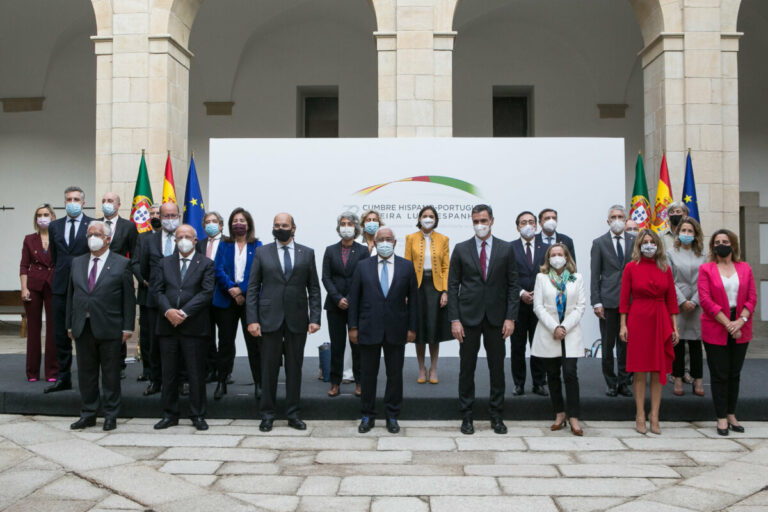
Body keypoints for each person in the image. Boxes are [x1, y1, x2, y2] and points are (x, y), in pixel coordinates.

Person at [447, 204, 519, 435]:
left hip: (497, 319)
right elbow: (452, 285)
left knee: (497, 368)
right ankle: (466, 415)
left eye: (484, 220)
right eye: (476, 221)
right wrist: (454, 320)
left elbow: (513, 285)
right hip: (468, 318)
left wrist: (510, 317)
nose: (480, 225)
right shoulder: (460, 249)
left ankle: (497, 415)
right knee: (467, 368)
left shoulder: (506, 249)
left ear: (492, 221)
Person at [246, 213, 322, 432]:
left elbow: (314, 288)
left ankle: (293, 414)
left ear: (293, 228)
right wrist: (252, 319)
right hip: (269, 319)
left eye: (284, 225)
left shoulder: (307, 253)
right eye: (276, 225)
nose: (280, 228)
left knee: (294, 369)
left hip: (297, 320)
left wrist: (315, 317)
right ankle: (267, 415)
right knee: (268, 369)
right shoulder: (262, 252)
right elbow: (252, 288)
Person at [349, 227, 419, 434]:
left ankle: (392, 416)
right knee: (368, 375)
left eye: (389, 239)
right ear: (375, 242)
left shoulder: (407, 267)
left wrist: (412, 328)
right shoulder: (363, 266)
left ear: (395, 243)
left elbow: (414, 301)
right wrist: (353, 327)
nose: (385, 243)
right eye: (381, 239)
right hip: (368, 328)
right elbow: (354, 300)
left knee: (395, 375)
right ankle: (367, 415)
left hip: (397, 329)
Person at [66, 221, 135, 431]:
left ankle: (110, 415)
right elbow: (71, 295)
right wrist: (70, 324)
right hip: (83, 326)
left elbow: (128, 299)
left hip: (110, 326)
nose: (92, 238)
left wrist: (127, 327)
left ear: (107, 238)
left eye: (96, 234)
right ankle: (88, 414)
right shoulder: (77, 262)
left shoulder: (121, 263)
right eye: (89, 234)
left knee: (111, 374)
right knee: (86, 374)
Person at [151, 224, 214, 431]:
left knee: (195, 373)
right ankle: (169, 414)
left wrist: (184, 313)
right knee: (169, 373)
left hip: (194, 327)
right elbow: (157, 291)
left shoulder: (206, 263)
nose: (184, 240)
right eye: (180, 237)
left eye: (188, 236)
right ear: (175, 240)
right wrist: (168, 311)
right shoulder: (163, 263)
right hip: (167, 326)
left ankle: (197, 414)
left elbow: (206, 293)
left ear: (196, 240)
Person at [619, 229, 679, 435]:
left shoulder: (665, 268)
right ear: (639, 245)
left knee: (657, 370)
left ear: (658, 245)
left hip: (661, 318)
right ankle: (640, 414)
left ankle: (655, 415)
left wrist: (674, 327)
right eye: (644, 242)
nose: (649, 245)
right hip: (638, 318)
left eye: (652, 242)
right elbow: (624, 299)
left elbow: (672, 299)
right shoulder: (630, 268)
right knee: (640, 370)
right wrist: (623, 325)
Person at [698, 229, 757, 436]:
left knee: (734, 373)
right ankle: (721, 417)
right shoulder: (706, 269)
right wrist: (728, 323)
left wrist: (740, 321)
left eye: (724, 241)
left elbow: (752, 297)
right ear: (712, 247)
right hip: (716, 325)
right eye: (716, 242)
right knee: (719, 374)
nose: (720, 244)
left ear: (733, 245)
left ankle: (732, 413)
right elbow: (705, 300)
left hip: (741, 325)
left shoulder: (745, 268)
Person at [531, 243, 586, 436]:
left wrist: (564, 327)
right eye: (553, 254)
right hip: (548, 331)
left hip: (570, 332)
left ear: (566, 257)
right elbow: (538, 306)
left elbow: (580, 307)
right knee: (552, 375)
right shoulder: (542, 277)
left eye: (560, 254)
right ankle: (559, 414)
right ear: (548, 258)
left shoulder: (575, 277)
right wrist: (554, 327)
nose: (556, 257)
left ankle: (574, 417)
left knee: (570, 373)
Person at [45, 186, 93, 393]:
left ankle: (88, 378)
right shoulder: (55, 226)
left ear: (83, 203)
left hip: (84, 287)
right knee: (59, 334)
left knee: (86, 333)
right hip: (60, 286)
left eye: (76, 199)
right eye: (68, 199)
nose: (72, 202)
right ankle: (63, 377)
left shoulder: (92, 224)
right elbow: (55, 257)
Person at [212, 208, 262, 400]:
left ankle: (259, 383)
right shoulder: (224, 245)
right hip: (226, 300)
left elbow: (257, 272)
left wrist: (242, 290)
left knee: (254, 344)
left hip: (249, 301)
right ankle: (221, 382)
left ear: (248, 224)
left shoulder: (257, 245)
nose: (238, 223)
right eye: (235, 220)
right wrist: (232, 289)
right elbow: (218, 269)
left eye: (242, 220)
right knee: (225, 344)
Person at [132, 201, 181, 396]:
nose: (170, 220)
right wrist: (147, 283)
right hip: (153, 300)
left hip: (179, 301)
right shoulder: (147, 240)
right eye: (166, 216)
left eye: (173, 216)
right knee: (153, 342)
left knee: (181, 343)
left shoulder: (186, 236)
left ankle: (181, 380)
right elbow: (139, 266)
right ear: (159, 218)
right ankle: (155, 380)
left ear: (178, 216)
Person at [322, 212, 369, 397]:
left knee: (357, 345)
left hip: (356, 305)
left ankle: (360, 382)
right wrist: (337, 298)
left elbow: (364, 276)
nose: (346, 226)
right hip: (335, 306)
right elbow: (326, 277)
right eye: (343, 223)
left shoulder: (363, 251)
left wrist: (349, 298)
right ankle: (335, 382)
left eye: (350, 223)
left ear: (356, 228)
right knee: (337, 345)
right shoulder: (330, 250)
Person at [590, 204, 635, 398]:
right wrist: (596, 302)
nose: (617, 220)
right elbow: (595, 274)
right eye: (613, 217)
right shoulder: (599, 243)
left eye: (620, 217)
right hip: (608, 302)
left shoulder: (636, 241)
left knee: (626, 345)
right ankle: (610, 382)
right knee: (608, 346)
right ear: (608, 221)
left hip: (631, 301)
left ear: (625, 220)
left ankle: (624, 382)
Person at [404, 206, 451, 385]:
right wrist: (406, 292)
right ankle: (421, 368)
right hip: (417, 287)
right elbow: (406, 267)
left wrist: (445, 290)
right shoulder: (410, 238)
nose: (428, 219)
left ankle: (434, 368)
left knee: (434, 329)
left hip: (436, 287)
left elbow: (446, 267)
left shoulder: (444, 239)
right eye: (425, 216)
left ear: (436, 219)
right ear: (419, 218)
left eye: (431, 216)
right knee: (419, 330)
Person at [100, 191, 139, 380]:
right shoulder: (96, 224)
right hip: (99, 279)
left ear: (118, 204)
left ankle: (120, 362)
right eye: (104, 201)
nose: (106, 204)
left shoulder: (129, 227)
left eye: (110, 201)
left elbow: (135, 254)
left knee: (119, 318)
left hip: (121, 277)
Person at [509, 211, 548, 396]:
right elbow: (507, 277)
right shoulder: (509, 248)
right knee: (517, 346)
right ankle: (518, 383)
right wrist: (521, 293)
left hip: (540, 306)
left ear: (537, 225)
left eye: (531, 222)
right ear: (517, 227)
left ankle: (539, 382)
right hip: (517, 306)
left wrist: (538, 294)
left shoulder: (546, 248)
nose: (528, 225)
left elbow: (550, 275)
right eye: (523, 222)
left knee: (538, 344)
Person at [667, 217, 706, 396]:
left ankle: (698, 379)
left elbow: (705, 281)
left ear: (696, 234)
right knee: (678, 342)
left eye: (690, 231)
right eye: (684, 231)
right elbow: (670, 279)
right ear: (678, 233)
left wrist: (695, 300)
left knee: (696, 344)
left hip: (698, 303)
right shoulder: (670, 253)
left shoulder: (703, 255)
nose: (687, 234)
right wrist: (682, 300)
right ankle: (678, 378)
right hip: (678, 302)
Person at [20, 204, 57, 382]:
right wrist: (24, 287)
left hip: (53, 285)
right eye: (39, 215)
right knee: (34, 330)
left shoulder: (59, 238)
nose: (42, 217)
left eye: (46, 214)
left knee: (53, 330)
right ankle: (32, 372)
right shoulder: (29, 239)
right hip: (33, 286)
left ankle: (52, 372)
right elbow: (24, 265)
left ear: (53, 216)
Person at [135, 203, 161, 383]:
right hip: (146, 292)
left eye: (158, 213)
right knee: (146, 335)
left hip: (168, 294)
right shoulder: (142, 238)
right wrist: (144, 281)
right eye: (151, 213)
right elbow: (135, 263)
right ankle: (148, 370)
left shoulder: (174, 237)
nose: (154, 216)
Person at [198, 211, 224, 383]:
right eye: (207, 221)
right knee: (207, 336)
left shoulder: (229, 243)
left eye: (214, 221)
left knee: (225, 336)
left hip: (223, 294)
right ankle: (210, 369)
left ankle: (224, 371)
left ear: (221, 225)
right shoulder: (199, 244)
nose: (211, 224)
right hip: (204, 296)